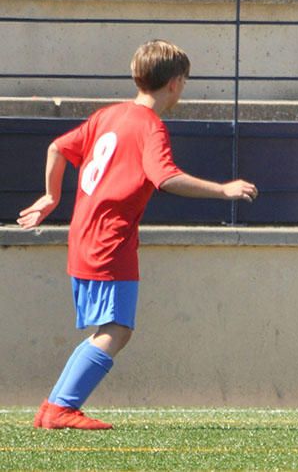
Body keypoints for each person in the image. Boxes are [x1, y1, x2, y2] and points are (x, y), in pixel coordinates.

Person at [20, 39, 258, 430]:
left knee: (108, 328)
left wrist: (51, 196)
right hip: (111, 239)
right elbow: (165, 177)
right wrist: (223, 190)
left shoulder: (108, 116)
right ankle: (62, 407)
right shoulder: (150, 127)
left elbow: (57, 148)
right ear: (176, 83)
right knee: (117, 330)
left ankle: (52, 408)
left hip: (84, 233)